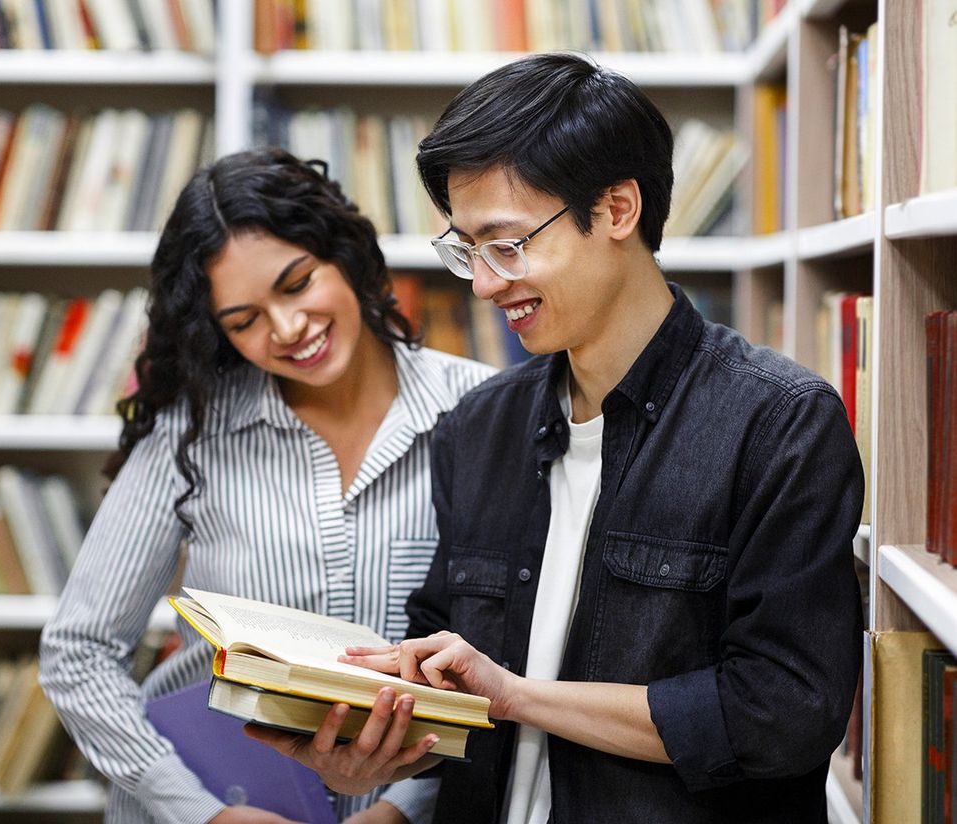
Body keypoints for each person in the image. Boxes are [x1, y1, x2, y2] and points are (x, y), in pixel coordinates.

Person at [248, 53, 865, 824]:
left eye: (506, 245)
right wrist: (364, 749)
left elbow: (784, 715)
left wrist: (517, 697)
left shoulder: (779, 424)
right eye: (466, 249)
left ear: (616, 210)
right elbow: (443, 684)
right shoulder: (480, 428)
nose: (482, 283)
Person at [38, 147, 494, 824]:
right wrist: (200, 813)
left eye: (297, 282)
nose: (288, 330)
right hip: (222, 801)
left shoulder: (487, 413)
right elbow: (78, 654)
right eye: (245, 321)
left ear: (345, 254)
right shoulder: (192, 433)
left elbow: (508, 664)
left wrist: (404, 808)